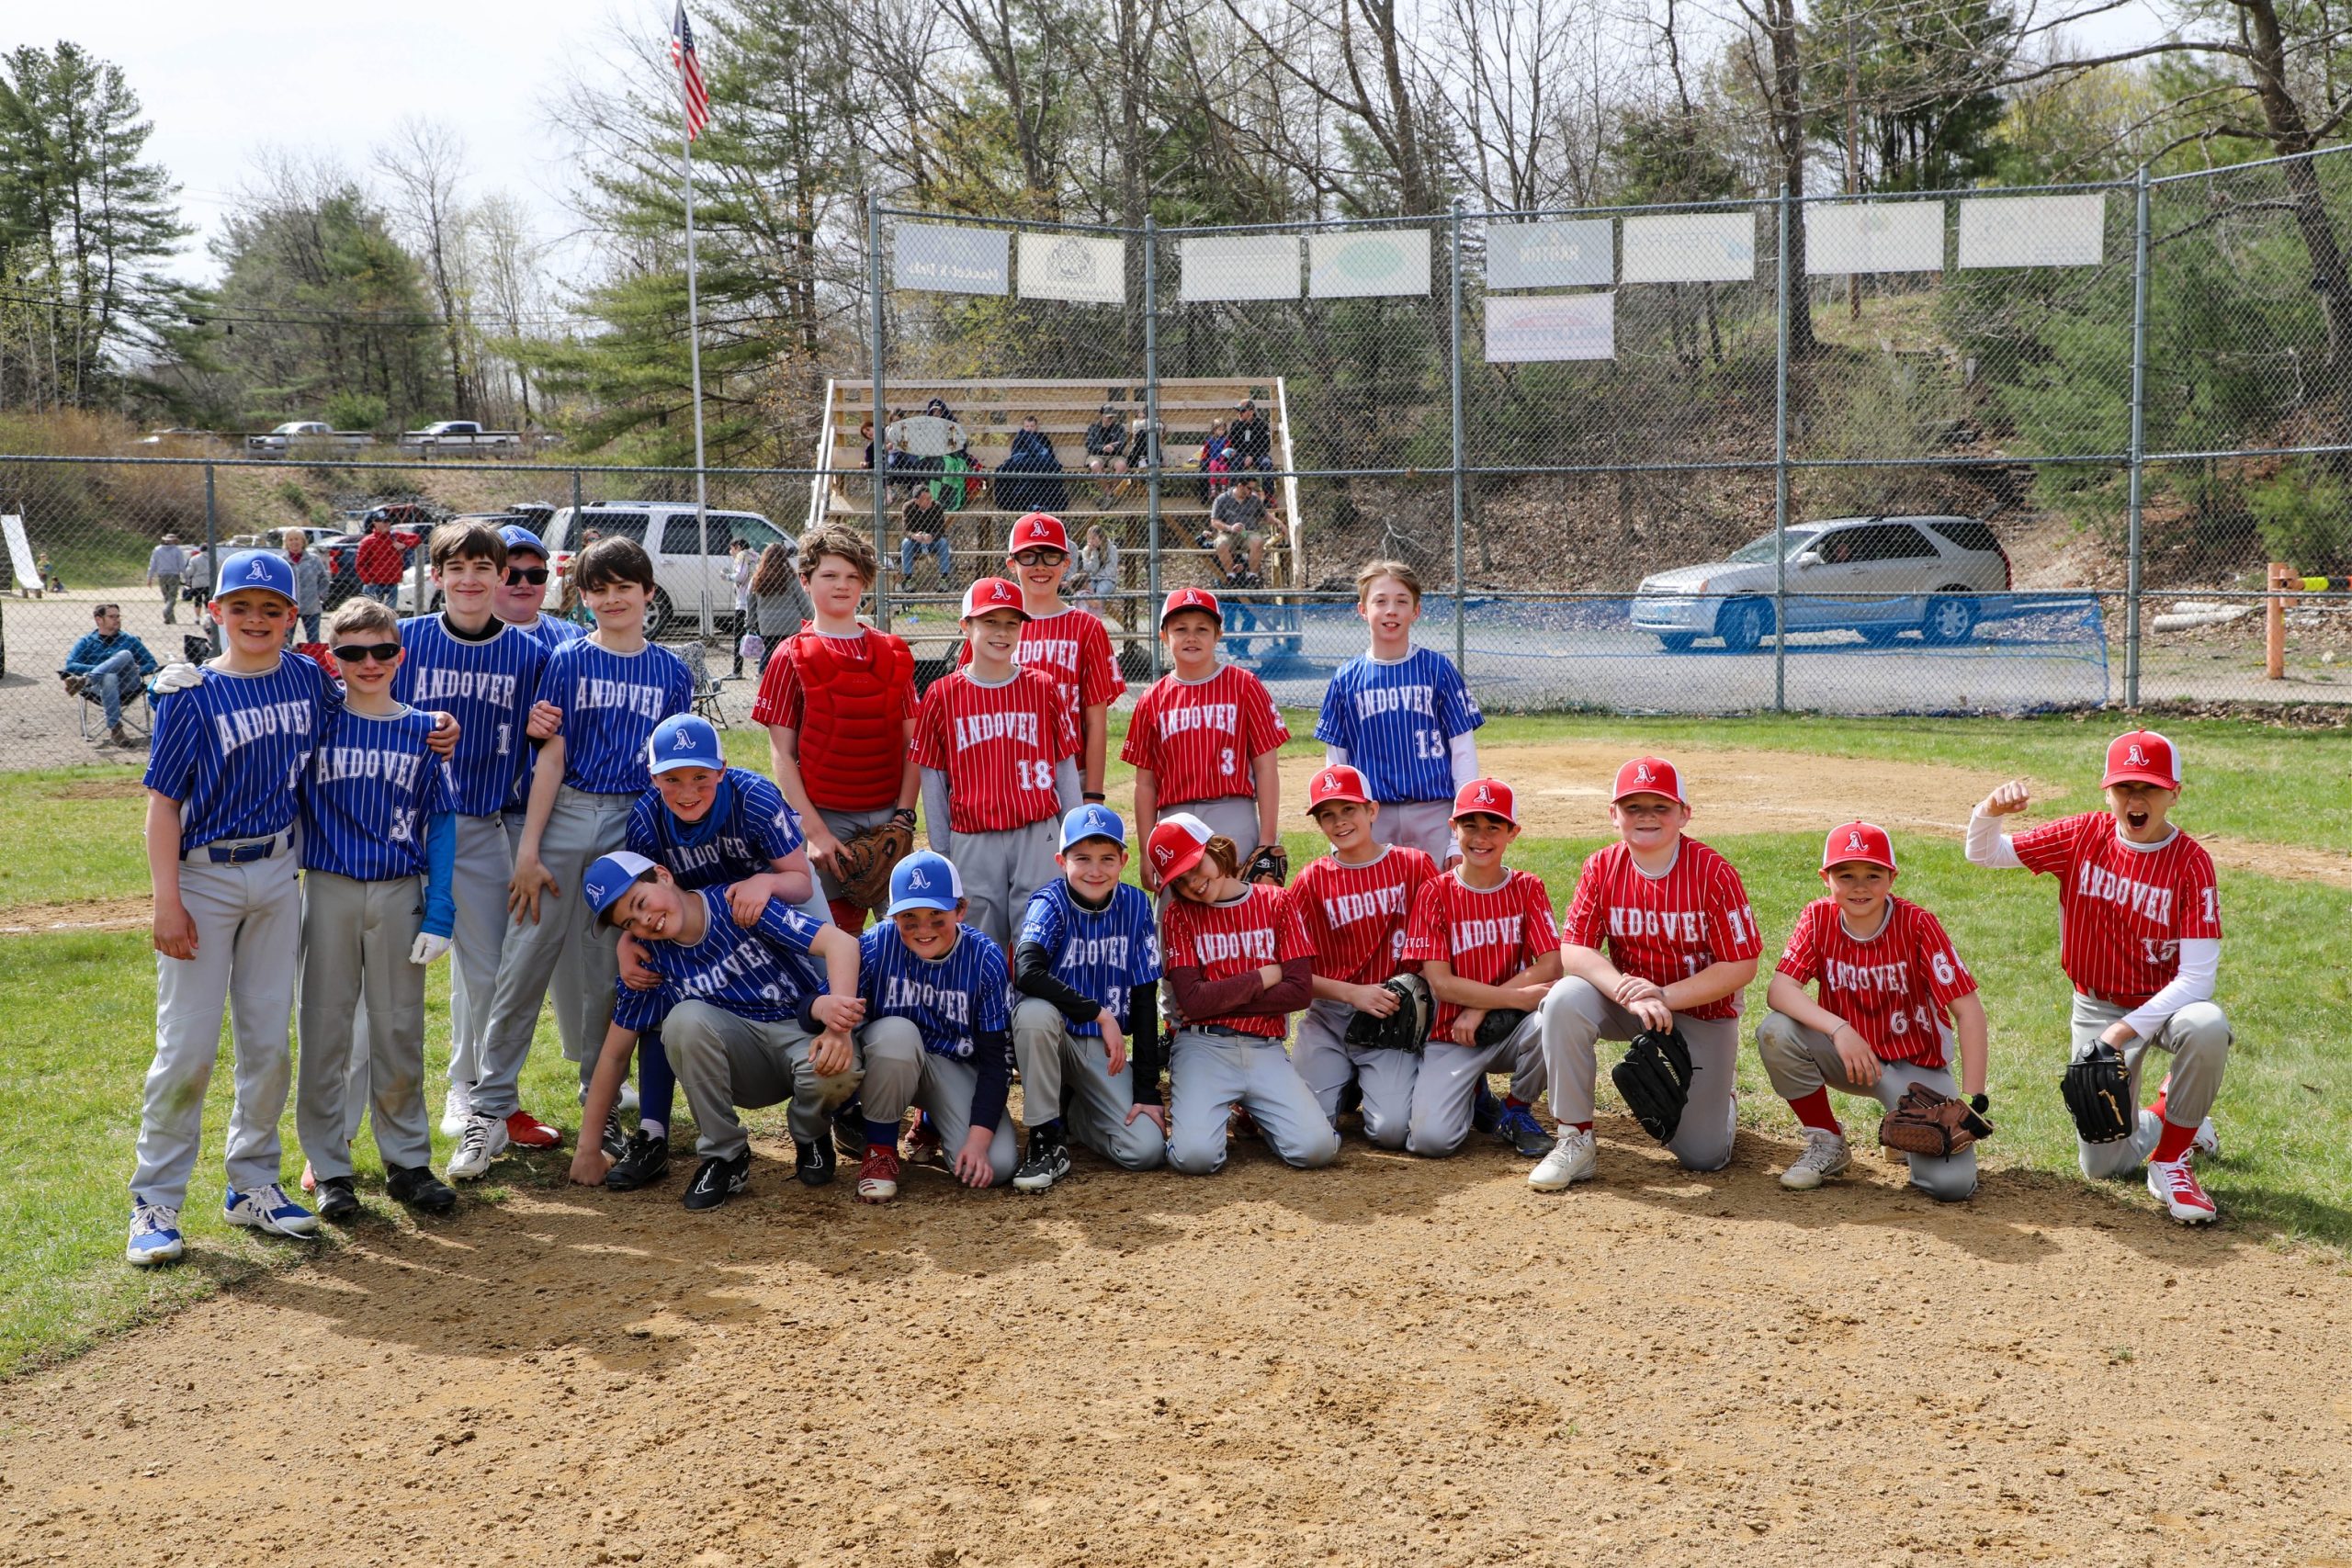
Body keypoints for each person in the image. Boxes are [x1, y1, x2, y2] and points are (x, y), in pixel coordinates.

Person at [454, 535, 695, 1183]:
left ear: (649, 593)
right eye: (599, 588)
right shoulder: (565, 658)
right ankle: (489, 1107)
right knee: (522, 962)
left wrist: (653, 859)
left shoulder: (672, 672)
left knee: (605, 974)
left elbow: (668, 777)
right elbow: (550, 757)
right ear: (582, 596)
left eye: (625, 587)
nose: (613, 599)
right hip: (566, 811)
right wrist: (528, 849)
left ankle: (601, 1102)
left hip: (630, 823)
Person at [130, 550, 334, 1264]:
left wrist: (430, 727)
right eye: (239, 607)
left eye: (270, 608)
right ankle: (154, 1199)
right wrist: (167, 899)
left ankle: (252, 1183)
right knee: (186, 1046)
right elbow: (162, 805)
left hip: (279, 871)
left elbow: (360, 720)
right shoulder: (190, 694)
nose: (255, 620)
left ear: (291, 617)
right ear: (214, 612)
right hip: (205, 877)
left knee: (268, 1041)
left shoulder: (309, 677)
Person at [1965, 730, 2228, 1224]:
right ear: (2107, 792)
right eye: (2125, 787)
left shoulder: (2192, 864)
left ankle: (2171, 1159)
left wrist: (2123, 1032)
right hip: (2097, 1003)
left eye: (2149, 788)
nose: (2136, 799)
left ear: (2174, 793)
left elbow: (2196, 980)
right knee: (2102, 1165)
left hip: (2168, 1005)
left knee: (2207, 1026)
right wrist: (1988, 812)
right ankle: (2179, 1118)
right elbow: (1984, 853)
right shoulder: (2082, 836)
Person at [570, 853, 865, 1211]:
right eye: (630, 922)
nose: (646, 921)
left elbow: (842, 944)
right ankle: (725, 1157)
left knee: (838, 1069)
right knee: (684, 1019)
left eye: (641, 902)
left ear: (663, 875)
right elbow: (614, 1054)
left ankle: (810, 1133)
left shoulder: (736, 904)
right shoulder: (650, 958)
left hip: (800, 1037)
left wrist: (838, 1031)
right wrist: (587, 1149)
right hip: (741, 1063)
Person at [293, 598, 461, 1223]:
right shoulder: (318, 718)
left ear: (401, 654)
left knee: (398, 1028)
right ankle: (332, 1165)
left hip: (397, 888)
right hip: (330, 884)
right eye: (352, 652)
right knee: (325, 1029)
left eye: (382, 650)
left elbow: (441, 822)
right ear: (331, 657)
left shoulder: (423, 727)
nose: (369, 662)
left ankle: (408, 1160)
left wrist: (441, 910)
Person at [605, 713, 821, 1191]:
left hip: (773, 898)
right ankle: (653, 1133)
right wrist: (629, 938)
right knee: (659, 994)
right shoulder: (646, 817)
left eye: (701, 776)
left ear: (722, 770)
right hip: (689, 913)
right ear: (654, 777)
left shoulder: (755, 796)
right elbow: (643, 893)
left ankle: (839, 1107)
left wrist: (763, 882)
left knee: (826, 978)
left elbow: (802, 882)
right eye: (673, 778)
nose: (687, 791)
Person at [1531, 757, 1762, 1190]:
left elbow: (1742, 964)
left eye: (1661, 807)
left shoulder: (1714, 873)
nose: (1646, 817)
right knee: (1564, 999)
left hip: (1699, 1010)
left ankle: (1722, 1098)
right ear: (1613, 815)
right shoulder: (1601, 867)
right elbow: (1575, 949)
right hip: (1630, 1000)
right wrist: (1626, 990)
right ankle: (1574, 1138)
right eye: (1633, 807)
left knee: (1703, 1157)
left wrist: (1666, 995)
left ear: (1685, 814)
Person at [395, 521, 555, 1141]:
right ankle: (350, 1129)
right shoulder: (403, 641)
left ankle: (478, 1095)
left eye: (483, 569)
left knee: (489, 974)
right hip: (403, 827)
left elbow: (548, 734)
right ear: (436, 576)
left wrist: (543, 723)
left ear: (500, 578)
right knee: (382, 978)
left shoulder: (530, 653)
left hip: (479, 825)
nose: (469, 580)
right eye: (456, 568)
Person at [1759, 822, 1989, 1201]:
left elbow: (1969, 1011)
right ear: (1825, 878)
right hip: (1849, 1058)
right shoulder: (1817, 919)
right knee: (1776, 1031)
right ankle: (1826, 1141)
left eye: (1873, 874)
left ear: (1892, 877)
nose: (1860, 886)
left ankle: (1901, 1137)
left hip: (1916, 1070)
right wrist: (1838, 1029)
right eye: (1845, 875)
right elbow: (1780, 990)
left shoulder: (1918, 924)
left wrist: (1973, 1097)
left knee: (1951, 1187)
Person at [753, 524, 921, 934]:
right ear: (805, 581)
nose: (842, 586)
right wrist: (814, 832)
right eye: (829, 575)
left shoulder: (893, 653)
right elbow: (781, 754)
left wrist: (903, 816)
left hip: (887, 812)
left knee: (904, 933)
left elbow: (912, 744)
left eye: (852, 577)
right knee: (836, 936)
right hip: (824, 812)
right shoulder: (790, 655)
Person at [1152, 815, 1338, 1176]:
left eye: (1195, 865)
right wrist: (1263, 976)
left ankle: (1249, 1113)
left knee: (1316, 1150)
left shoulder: (1277, 902)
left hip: (1263, 1046)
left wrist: (1215, 999)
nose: (1194, 883)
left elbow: (1299, 992)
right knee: (1196, 1159)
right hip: (1202, 1048)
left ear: (1215, 849)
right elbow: (1192, 1002)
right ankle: (1215, 1112)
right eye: (1181, 879)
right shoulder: (1179, 915)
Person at [910, 577, 1081, 948]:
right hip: (973, 835)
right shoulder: (942, 694)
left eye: (1011, 623)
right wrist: (943, 852)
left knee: (1039, 935)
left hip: (1037, 830)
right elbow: (933, 779)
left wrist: (1074, 836)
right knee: (979, 937)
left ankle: (1037, 1008)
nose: (1001, 632)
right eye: (989, 621)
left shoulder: (1043, 686)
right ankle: (987, 1007)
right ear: (965, 626)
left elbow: (1064, 767)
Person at [1399, 778, 1559, 1158]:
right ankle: (1475, 1092)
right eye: (1470, 825)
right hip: (1452, 1034)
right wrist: (1515, 996)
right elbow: (1441, 984)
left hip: (1510, 1028)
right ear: (1453, 828)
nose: (1481, 836)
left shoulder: (1527, 887)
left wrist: (1485, 1005)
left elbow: (1552, 963)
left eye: (1494, 826)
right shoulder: (1435, 892)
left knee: (1556, 1011)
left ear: (1512, 833)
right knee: (1430, 1142)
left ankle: (1516, 1110)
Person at [1009, 804, 1166, 1190]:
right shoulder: (1050, 902)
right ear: (1062, 861)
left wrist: (1147, 1092)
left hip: (1097, 1050)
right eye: (1082, 858)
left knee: (1145, 1150)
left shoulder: (1134, 905)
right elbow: (1026, 971)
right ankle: (1046, 1138)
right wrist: (1100, 1013)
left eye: (1107, 858)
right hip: (1054, 1037)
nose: (1095, 870)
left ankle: (1076, 1117)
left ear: (1124, 860)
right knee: (1033, 1014)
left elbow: (1146, 998)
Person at [849, 852, 1020, 1202]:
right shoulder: (876, 944)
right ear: (891, 915)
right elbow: (822, 1009)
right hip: (889, 1060)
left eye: (936, 916)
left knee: (996, 1166)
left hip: (952, 1066)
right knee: (897, 1033)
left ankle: (929, 1123)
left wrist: (978, 1139)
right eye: (909, 917)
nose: (923, 929)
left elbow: (996, 1060)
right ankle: (880, 1149)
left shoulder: (984, 958)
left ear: (961, 910)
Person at [1289, 765, 1439, 1149]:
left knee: (1390, 1132)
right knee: (1304, 1128)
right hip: (1329, 1017)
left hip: (1390, 1019)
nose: (1340, 822)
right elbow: (1294, 972)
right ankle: (1341, 1081)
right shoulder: (1311, 881)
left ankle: (1358, 1082)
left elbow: (1439, 944)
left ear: (1372, 810)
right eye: (1328, 815)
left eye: (1349, 810)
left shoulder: (1413, 865)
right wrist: (1352, 993)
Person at [1316, 559, 1484, 866]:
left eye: (1401, 601)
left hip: (1435, 810)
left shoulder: (1438, 670)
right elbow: (1336, 766)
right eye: (1380, 601)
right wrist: (1342, 828)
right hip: (1372, 816)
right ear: (1363, 610)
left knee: (1438, 906)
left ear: (1416, 611)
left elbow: (1463, 754)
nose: (1391, 610)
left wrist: (1457, 836)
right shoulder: (1345, 679)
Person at [1121, 588, 1287, 889]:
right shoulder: (1151, 699)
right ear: (1163, 636)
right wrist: (1147, 851)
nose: (1191, 637)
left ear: (1218, 635)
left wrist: (1267, 840)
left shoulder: (1245, 686)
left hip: (1233, 811)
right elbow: (1144, 784)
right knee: (1175, 916)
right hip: (1174, 818)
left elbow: (1266, 768)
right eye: (1180, 629)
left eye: (1202, 629)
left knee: (1239, 915)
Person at [956, 513, 1127, 803]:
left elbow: (1096, 721)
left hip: (1071, 773)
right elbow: (967, 706)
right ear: (1012, 564)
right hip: (1002, 773)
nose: (1039, 566)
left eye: (1050, 556)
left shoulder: (1086, 627)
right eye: (1028, 556)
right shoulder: (991, 627)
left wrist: (1094, 794)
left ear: (1066, 563)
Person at [62, 603, 160, 746]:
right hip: (99, 688)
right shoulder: (86, 641)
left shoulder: (130, 640)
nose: (117, 619)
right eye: (112, 617)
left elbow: (151, 663)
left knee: (125, 654)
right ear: (99, 620)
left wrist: (138, 670)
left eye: (118, 616)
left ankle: (86, 679)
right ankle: (115, 729)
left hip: (128, 684)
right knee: (109, 677)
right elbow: (70, 665)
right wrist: (103, 669)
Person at [746, 541, 811, 672]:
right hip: (792, 625)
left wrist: (750, 622)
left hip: (767, 626)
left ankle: (764, 678)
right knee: (792, 654)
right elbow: (803, 601)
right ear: (784, 557)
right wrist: (811, 619)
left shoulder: (757, 579)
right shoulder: (791, 576)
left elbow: (750, 602)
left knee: (770, 652)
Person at [1208, 475, 1277, 586]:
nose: (1252, 491)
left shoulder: (1254, 499)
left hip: (1248, 533)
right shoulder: (1221, 499)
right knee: (1220, 543)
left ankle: (1252, 576)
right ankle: (1231, 575)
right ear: (1240, 486)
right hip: (1228, 533)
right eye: (1249, 488)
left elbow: (1266, 516)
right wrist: (1230, 527)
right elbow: (1214, 521)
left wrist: (1279, 523)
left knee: (1258, 541)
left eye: (1254, 488)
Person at [993, 413, 1068, 514]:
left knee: (1047, 468)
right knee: (1005, 470)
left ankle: (1036, 503)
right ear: (1023, 427)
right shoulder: (1019, 438)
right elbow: (1016, 454)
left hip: (1040, 462)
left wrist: (1039, 457)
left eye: (1032, 426)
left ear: (1036, 427)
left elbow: (1048, 453)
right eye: (1027, 426)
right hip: (1023, 462)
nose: (1029, 429)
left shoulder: (1043, 438)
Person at [899, 486, 955, 592]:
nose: (930, 501)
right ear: (917, 501)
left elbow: (941, 529)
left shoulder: (936, 506)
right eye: (926, 499)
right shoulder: (908, 507)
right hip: (916, 542)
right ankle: (908, 580)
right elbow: (906, 530)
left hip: (932, 541)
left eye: (930, 497)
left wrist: (932, 536)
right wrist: (914, 536)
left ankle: (944, 580)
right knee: (906, 543)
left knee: (943, 543)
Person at [282, 527, 330, 643]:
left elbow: (324, 579)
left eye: (297, 539)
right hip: (288, 606)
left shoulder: (314, 560)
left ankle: (313, 659)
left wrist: (321, 596)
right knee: (286, 639)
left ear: (303, 541)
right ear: (286, 543)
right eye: (291, 539)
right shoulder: (281, 561)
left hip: (312, 607)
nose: (294, 542)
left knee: (313, 639)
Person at [356, 514, 404, 606]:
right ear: (375, 523)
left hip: (392, 582)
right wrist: (368, 580)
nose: (387, 524)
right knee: (372, 612)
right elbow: (360, 564)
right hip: (374, 583)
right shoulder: (368, 541)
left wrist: (404, 545)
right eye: (383, 522)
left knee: (390, 612)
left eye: (388, 521)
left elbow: (416, 538)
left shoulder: (394, 537)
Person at [1082, 402, 1131, 495]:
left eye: (1112, 417)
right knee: (1095, 465)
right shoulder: (1093, 428)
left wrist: (1113, 449)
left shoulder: (1119, 428)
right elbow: (1090, 445)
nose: (1110, 419)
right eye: (1108, 417)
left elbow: (1122, 442)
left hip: (1115, 455)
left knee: (1122, 466)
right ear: (1101, 415)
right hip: (1096, 455)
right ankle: (1109, 494)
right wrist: (1103, 448)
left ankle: (1109, 494)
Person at [728, 538, 755, 676]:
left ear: (737, 547)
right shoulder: (755, 555)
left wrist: (727, 576)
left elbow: (740, 576)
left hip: (743, 602)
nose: (730, 552)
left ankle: (737, 671)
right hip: (755, 601)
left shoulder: (742, 555)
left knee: (738, 635)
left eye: (731, 548)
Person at [1080, 525, 1119, 619]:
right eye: (1089, 538)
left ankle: (1096, 621)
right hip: (1093, 579)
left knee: (1099, 594)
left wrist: (1098, 576)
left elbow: (1111, 570)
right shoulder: (1086, 550)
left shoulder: (1112, 549)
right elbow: (1090, 569)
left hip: (1108, 579)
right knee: (1086, 593)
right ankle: (1085, 619)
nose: (1091, 541)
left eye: (1093, 538)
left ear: (1101, 538)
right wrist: (1094, 554)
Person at [147, 534, 186, 625]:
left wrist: (150, 577)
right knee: (172, 597)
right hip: (174, 575)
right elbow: (181, 565)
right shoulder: (177, 550)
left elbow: (153, 565)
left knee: (167, 597)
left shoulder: (157, 550)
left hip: (162, 576)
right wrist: (186, 576)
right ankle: (166, 611)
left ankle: (170, 619)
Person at [1227, 398, 1273, 472]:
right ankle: (1234, 484)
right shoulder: (1236, 424)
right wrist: (1245, 456)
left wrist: (1252, 456)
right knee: (1234, 464)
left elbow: (1266, 446)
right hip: (1241, 454)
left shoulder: (1261, 424)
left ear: (1251, 412)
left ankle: (1267, 484)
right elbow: (1232, 443)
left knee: (1266, 464)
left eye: (1242, 411)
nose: (1240, 414)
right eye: (1239, 411)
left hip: (1258, 454)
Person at [1196, 420, 1233, 502]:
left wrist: (1228, 455)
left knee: (1224, 470)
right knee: (1212, 467)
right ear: (1214, 430)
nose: (1221, 432)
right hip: (1213, 459)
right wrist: (1203, 460)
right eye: (1219, 429)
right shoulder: (1209, 440)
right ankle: (1213, 490)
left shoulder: (1226, 440)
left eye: (1223, 430)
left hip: (1223, 461)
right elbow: (1205, 452)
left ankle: (1223, 490)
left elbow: (1228, 451)